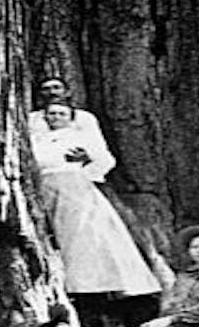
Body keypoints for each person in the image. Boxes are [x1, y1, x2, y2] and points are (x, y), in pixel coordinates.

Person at [29, 96, 161, 306]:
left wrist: (87, 161)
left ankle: (87, 288)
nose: (56, 118)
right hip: (44, 187)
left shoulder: (79, 137)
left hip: (73, 186)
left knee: (81, 236)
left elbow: (106, 161)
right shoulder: (37, 138)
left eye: (61, 114)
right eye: (51, 114)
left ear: (71, 118)